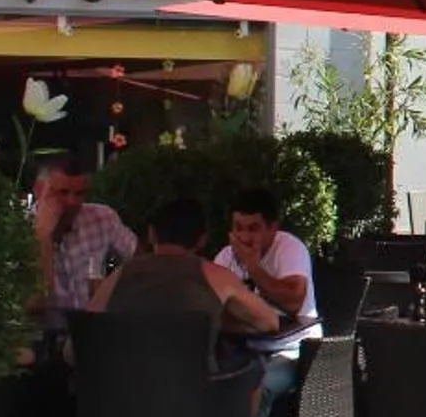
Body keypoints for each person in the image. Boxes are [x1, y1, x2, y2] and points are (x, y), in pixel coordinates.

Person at [89, 197, 279, 399]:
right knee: (256, 370)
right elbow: (269, 322)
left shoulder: (119, 276)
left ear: (152, 234)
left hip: (121, 406)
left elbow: (77, 345)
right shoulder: (216, 276)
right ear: (202, 240)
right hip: (194, 412)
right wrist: (218, 322)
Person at [214, 187, 320, 417]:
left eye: (253, 228)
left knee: (257, 387)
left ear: (272, 228)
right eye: (238, 227)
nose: (244, 236)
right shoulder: (226, 256)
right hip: (242, 349)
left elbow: (294, 301)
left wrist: (253, 267)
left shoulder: (289, 248)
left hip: (292, 350)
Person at [32, 160, 136, 317]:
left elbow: (139, 261)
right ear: (39, 190)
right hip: (39, 334)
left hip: (92, 329)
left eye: (79, 194)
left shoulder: (101, 217)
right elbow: (35, 303)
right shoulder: (16, 228)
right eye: (63, 193)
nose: (72, 202)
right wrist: (42, 237)